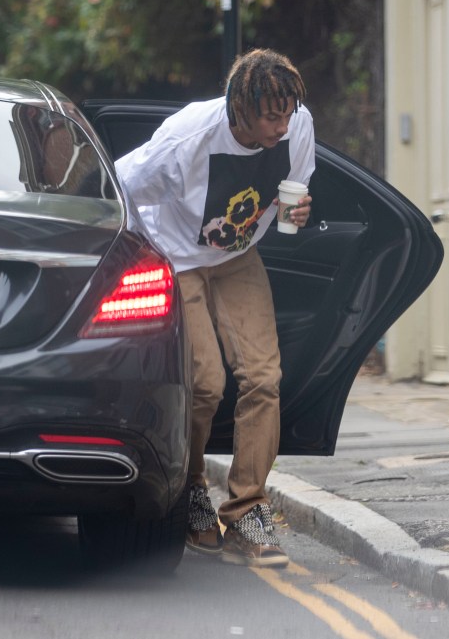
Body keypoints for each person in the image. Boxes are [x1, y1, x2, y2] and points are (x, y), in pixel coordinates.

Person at [115, 48, 314, 566]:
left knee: (264, 378)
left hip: (238, 256)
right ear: (238, 107)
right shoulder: (187, 139)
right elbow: (119, 188)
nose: (282, 124)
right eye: (271, 114)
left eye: (287, 111)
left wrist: (300, 208)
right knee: (205, 385)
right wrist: (140, 262)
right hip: (178, 258)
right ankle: (191, 488)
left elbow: (296, 186)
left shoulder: (298, 124)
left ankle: (247, 508)